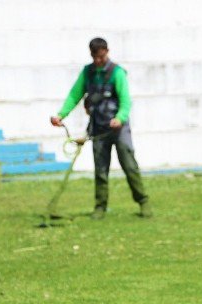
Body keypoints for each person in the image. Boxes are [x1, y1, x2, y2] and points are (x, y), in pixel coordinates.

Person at [51, 37, 150, 219]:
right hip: (98, 129)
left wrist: (120, 118)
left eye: (101, 57)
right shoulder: (87, 73)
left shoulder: (117, 72)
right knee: (101, 169)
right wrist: (60, 115)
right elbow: (74, 96)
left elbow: (126, 100)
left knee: (129, 166)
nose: (98, 61)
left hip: (118, 129)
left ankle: (143, 202)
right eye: (95, 57)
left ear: (107, 52)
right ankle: (100, 207)